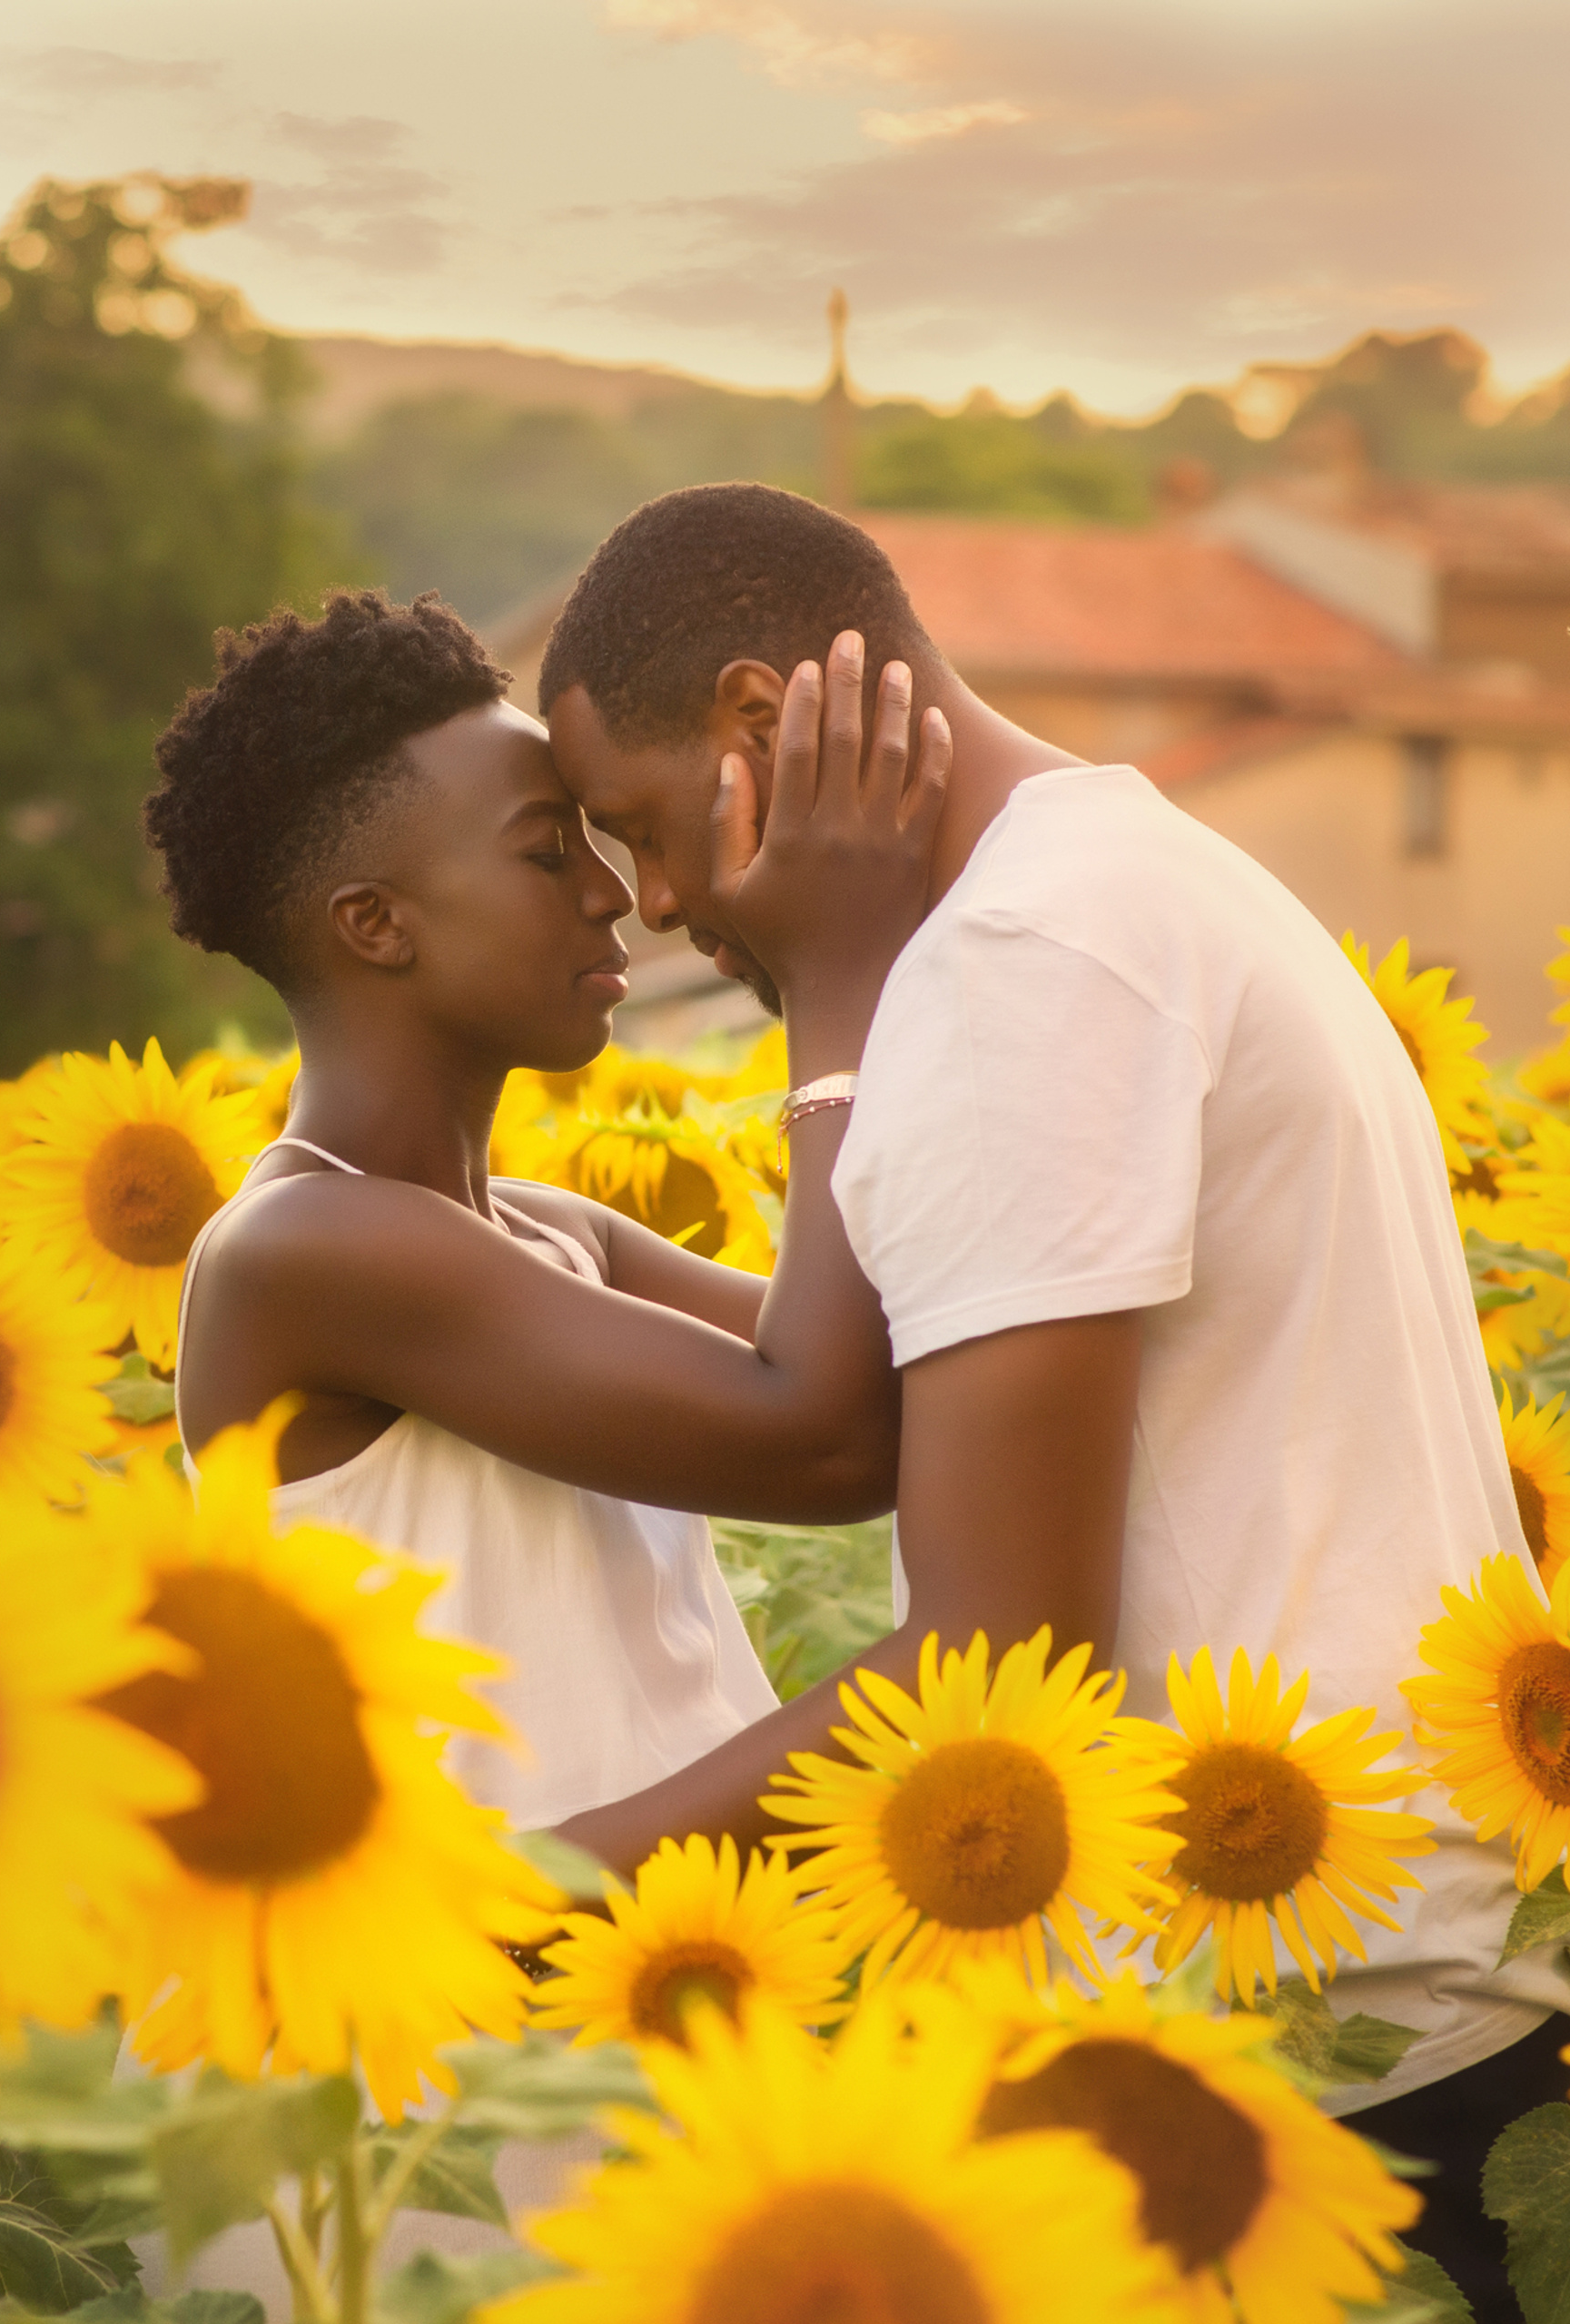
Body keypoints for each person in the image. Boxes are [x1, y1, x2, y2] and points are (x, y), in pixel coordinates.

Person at [537, 479, 1567, 2314]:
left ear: (763, 725)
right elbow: (905, 1392)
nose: (664, 901)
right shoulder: (1122, 876)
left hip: (1310, 2046)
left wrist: (518, 1888)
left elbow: (988, 1673)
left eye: (642, 827)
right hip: (1381, 1979)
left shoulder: (1019, 969)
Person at [141, 586, 944, 1833]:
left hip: (601, 1989)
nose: (610, 891)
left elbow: (918, 1382)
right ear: (376, 925)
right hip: (428, 2012)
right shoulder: (305, 1251)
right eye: (543, 848)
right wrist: (833, 975)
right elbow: (832, 1438)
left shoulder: (556, 1233)